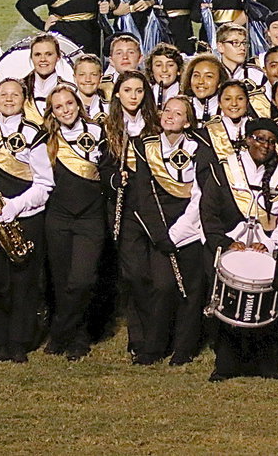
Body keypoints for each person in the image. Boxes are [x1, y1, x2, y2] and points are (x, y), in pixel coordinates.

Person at [202, 118, 278, 380]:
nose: (265, 145)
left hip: (264, 252)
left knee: (268, 306)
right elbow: (208, 213)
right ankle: (226, 364)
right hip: (229, 246)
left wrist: (266, 245)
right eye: (259, 138)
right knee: (227, 304)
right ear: (247, 139)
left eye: (270, 141)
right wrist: (224, 243)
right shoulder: (224, 170)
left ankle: (266, 364)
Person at [0, 78, 55, 362]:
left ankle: (20, 341)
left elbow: (45, 183)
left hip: (27, 217)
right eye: (3, 94)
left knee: (24, 283)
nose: (8, 99)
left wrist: (17, 205)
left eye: (15, 94)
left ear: (25, 98)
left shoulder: (35, 133)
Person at [125, 95, 204, 366]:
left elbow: (200, 195)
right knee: (162, 286)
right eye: (167, 110)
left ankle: (185, 347)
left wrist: (180, 232)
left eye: (178, 113)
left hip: (190, 227)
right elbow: (144, 194)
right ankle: (154, 345)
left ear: (188, 121)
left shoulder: (199, 147)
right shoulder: (145, 147)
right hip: (159, 231)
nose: (170, 116)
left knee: (191, 290)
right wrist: (162, 235)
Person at [102, 70, 167, 364]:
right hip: (126, 212)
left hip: (155, 212)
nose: (133, 96)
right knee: (135, 276)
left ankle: (155, 340)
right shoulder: (108, 128)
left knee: (158, 278)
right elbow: (102, 172)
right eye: (127, 90)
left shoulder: (155, 127)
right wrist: (117, 179)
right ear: (117, 93)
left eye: (139, 91)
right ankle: (138, 337)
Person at [41, 86, 107, 360]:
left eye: (70, 103)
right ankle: (75, 339)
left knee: (82, 280)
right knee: (61, 281)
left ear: (78, 105)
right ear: (52, 112)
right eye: (59, 106)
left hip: (91, 217)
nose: (66, 109)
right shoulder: (46, 140)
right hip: (58, 218)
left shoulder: (99, 133)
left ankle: (61, 332)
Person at [21, 33, 74, 125]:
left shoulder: (70, 90)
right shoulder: (19, 89)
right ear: (31, 57)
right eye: (37, 54)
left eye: (48, 54)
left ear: (58, 57)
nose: (43, 59)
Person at [216, 23, 266, 89]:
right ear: (220, 47)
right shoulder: (212, 74)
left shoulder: (257, 76)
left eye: (244, 43)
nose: (242, 47)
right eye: (235, 43)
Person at [180, 53, 227, 123]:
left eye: (208, 76)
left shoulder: (228, 110)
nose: (201, 81)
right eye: (196, 75)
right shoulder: (181, 107)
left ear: (220, 82)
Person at [72, 54, 108, 122]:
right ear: (74, 78)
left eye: (93, 75)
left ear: (101, 78)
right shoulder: (65, 107)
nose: (88, 79)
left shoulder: (109, 108)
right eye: (82, 74)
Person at [147, 43, 184, 108]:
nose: (164, 70)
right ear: (151, 70)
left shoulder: (187, 95)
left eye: (170, 65)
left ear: (179, 70)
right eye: (158, 65)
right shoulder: (145, 95)